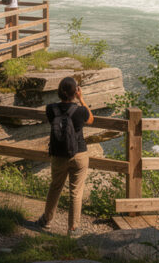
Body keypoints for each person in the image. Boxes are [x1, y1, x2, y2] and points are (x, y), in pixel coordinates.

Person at [36, 77, 94, 236]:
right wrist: (81, 99)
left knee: (55, 187)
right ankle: (73, 229)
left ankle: (46, 220)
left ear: (59, 91)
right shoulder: (80, 110)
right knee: (76, 192)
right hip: (79, 154)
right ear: (75, 92)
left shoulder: (50, 109)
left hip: (58, 154)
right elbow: (90, 119)